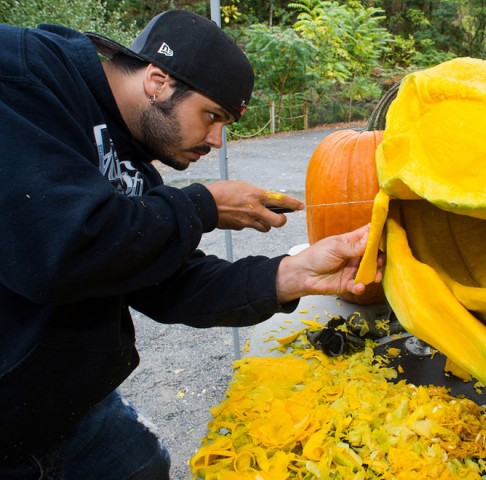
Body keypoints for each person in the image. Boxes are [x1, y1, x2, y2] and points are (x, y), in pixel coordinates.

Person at [0, 9, 382, 479]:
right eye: (212, 116)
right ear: (158, 80)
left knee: (147, 465)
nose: (218, 140)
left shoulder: (133, 162)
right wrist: (202, 206)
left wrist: (296, 272)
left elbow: (164, 281)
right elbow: (57, 249)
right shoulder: (20, 75)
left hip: (73, 410)